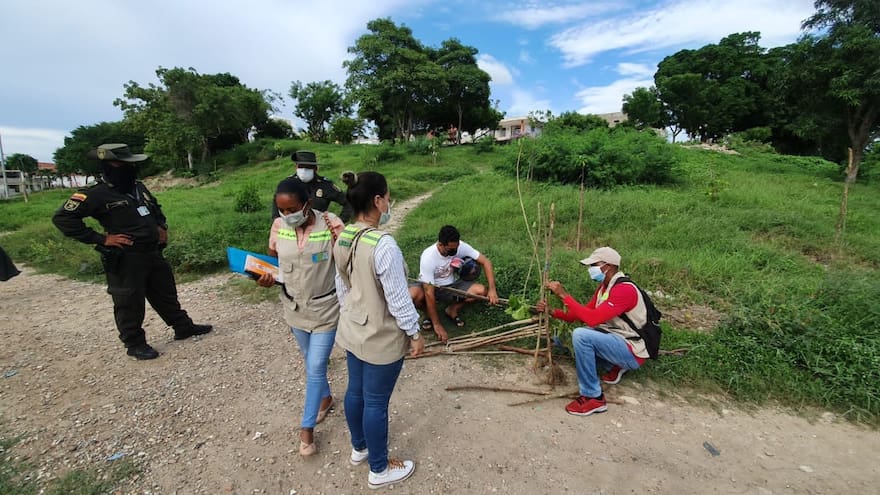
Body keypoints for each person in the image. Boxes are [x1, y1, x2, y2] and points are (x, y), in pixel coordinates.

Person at [51, 144, 212, 360]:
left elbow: (155, 208)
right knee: (129, 301)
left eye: (129, 163)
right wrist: (102, 239)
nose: (128, 168)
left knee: (165, 293)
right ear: (108, 166)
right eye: (121, 164)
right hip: (126, 256)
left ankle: (183, 327)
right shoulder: (95, 193)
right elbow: (63, 218)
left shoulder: (138, 187)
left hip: (152, 252)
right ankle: (134, 343)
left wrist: (161, 226)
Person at [332, 171, 424, 489]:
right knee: (375, 402)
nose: (389, 202)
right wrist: (414, 333)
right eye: (387, 196)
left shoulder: (344, 236)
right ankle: (379, 469)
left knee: (355, 392)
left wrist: (352, 313)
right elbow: (398, 300)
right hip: (380, 337)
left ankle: (359, 448)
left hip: (352, 328)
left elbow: (342, 286)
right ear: (377, 201)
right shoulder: (384, 245)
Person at [257, 178, 344, 457]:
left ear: (307, 203)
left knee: (316, 366)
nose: (287, 215)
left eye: (292, 209)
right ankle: (326, 398)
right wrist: (266, 278)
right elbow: (274, 263)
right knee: (310, 359)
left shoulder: (331, 223)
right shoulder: (278, 227)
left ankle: (306, 428)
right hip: (294, 308)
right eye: (282, 210)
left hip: (325, 309)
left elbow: (346, 262)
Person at [535, 247, 650, 416]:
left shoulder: (624, 290)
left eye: (594, 265)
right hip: (616, 337)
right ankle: (613, 364)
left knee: (581, 336)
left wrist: (564, 295)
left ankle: (593, 397)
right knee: (562, 338)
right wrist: (552, 311)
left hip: (632, 349)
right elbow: (581, 315)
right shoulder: (604, 288)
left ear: (608, 266)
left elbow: (592, 319)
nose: (590, 269)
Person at [409, 225, 499, 342]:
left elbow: (486, 262)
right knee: (412, 295)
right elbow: (429, 292)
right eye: (450, 250)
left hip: (452, 286)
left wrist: (492, 289)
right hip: (431, 287)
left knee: (481, 291)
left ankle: (452, 309)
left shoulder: (460, 246)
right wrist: (437, 325)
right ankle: (429, 315)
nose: (454, 252)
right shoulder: (428, 257)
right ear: (440, 244)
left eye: (456, 249)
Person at [272, 150, 352, 222]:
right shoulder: (287, 184)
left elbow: (348, 202)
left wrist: (339, 221)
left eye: (308, 167)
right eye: (301, 166)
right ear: (296, 167)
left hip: (318, 229)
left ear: (315, 168)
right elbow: (276, 202)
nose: (304, 170)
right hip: (291, 227)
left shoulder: (325, 185)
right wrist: (277, 221)